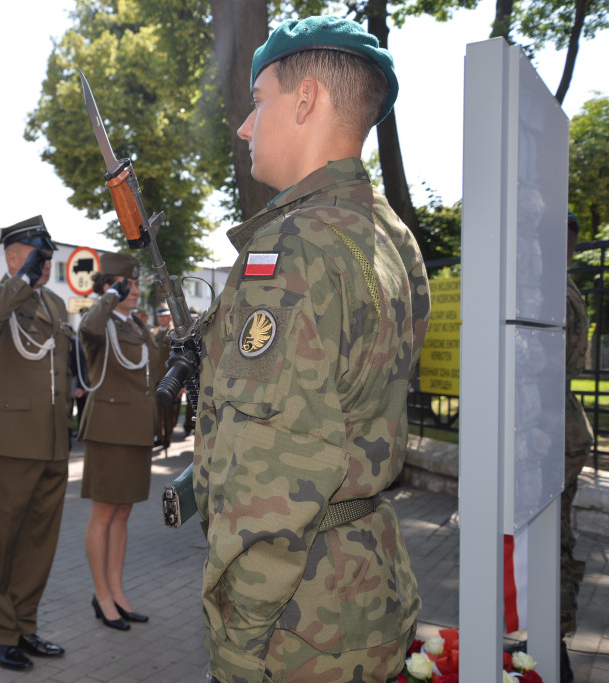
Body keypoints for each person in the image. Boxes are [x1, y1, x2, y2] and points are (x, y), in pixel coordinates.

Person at [193, 17, 430, 682]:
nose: (245, 126)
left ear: (305, 101)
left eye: (258, 100)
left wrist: (236, 639)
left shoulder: (293, 248)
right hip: (371, 584)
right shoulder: (391, 235)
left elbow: (270, 477)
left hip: (300, 618)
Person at [0, 215, 72, 672]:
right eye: (37, 255)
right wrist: (22, 280)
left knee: (38, 543)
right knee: (1, 543)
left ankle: (24, 625)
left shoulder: (53, 303)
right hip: (8, 441)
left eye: (48, 257)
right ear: (14, 256)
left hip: (50, 441)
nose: (45, 264)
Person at [76, 252, 157, 631]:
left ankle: (117, 591)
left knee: (123, 512)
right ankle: (101, 595)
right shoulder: (101, 321)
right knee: (104, 513)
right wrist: (108, 295)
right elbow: (88, 330)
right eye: (131, 284)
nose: (136, 290)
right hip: (108, 431)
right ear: (113, 284)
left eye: (137, 283)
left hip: (135, 429)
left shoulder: (135, 325)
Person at [561, 212, 592, 682]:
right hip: (560, 430)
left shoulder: (553, 293)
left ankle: (553, 639)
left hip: (554, 435)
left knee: (550, 541)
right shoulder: (565, 288)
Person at [151, 303, 180, 450]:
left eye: (164, 316)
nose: (162, 319)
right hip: (155, 377)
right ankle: (159, 436)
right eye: (159, 316)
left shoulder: (174, 332)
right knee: (157, 410)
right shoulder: (154, 333)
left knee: (169, 411)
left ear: (170, 317)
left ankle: (168, 438)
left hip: (170, 378)